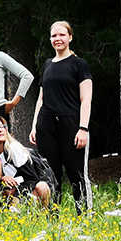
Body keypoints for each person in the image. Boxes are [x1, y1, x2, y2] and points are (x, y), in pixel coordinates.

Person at [29, 21, 93, 214]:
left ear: (70, 37)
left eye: (62, 35)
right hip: (46, 125)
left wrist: (83, 128)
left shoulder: (79, 64)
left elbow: (86, 99)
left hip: (71, 124)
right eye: (54, 36)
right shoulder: (47, 64)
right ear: (50, 39)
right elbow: (41, 98)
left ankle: (84, 214)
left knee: (76, 173)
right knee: (50, 173)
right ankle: (52, 215)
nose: (58, 39)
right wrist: (34, 127)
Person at [0, 116, 55, 208]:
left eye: (2, 126)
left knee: (42, 186)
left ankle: (44, 218)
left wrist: (15, 188)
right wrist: (2, 179)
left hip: (27, 192)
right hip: (2, 197)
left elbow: (32, 179)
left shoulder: (15, 149)